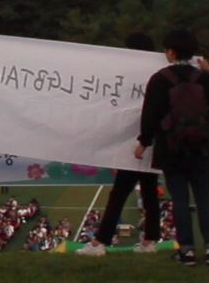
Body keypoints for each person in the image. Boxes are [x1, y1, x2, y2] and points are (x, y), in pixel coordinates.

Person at [134, 30, 209, 266]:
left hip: (171, 149)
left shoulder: (160, 79)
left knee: (179, 200)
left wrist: (143, 142)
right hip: (200, 147)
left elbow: (149, 115)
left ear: (170, 52)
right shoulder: (201, 78)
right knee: (205, 199)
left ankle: (186, 250)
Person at [76, 33, 162, 257]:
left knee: (120, 194)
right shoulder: (158, 73)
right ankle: (150, 241)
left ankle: (100, 243)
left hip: (136, 144)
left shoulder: (134, 73)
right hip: (148, 142)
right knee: (149, 193)